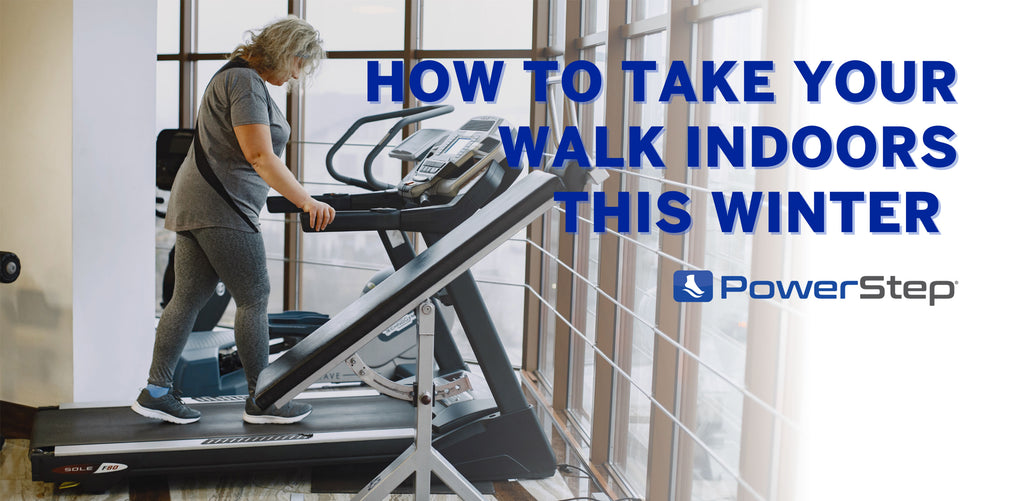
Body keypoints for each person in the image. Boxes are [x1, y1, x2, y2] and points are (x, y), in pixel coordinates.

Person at [132, 16, 335, 425]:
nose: (298, 75)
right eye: (300, 64)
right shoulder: (244, 83)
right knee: (254, 297)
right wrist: (306, 200)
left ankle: (156, 392)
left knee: (186, 298)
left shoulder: (232, 76)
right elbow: (260, 155)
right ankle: (262, 399)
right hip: (222, 206)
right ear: (287, 53)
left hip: (195, 203)